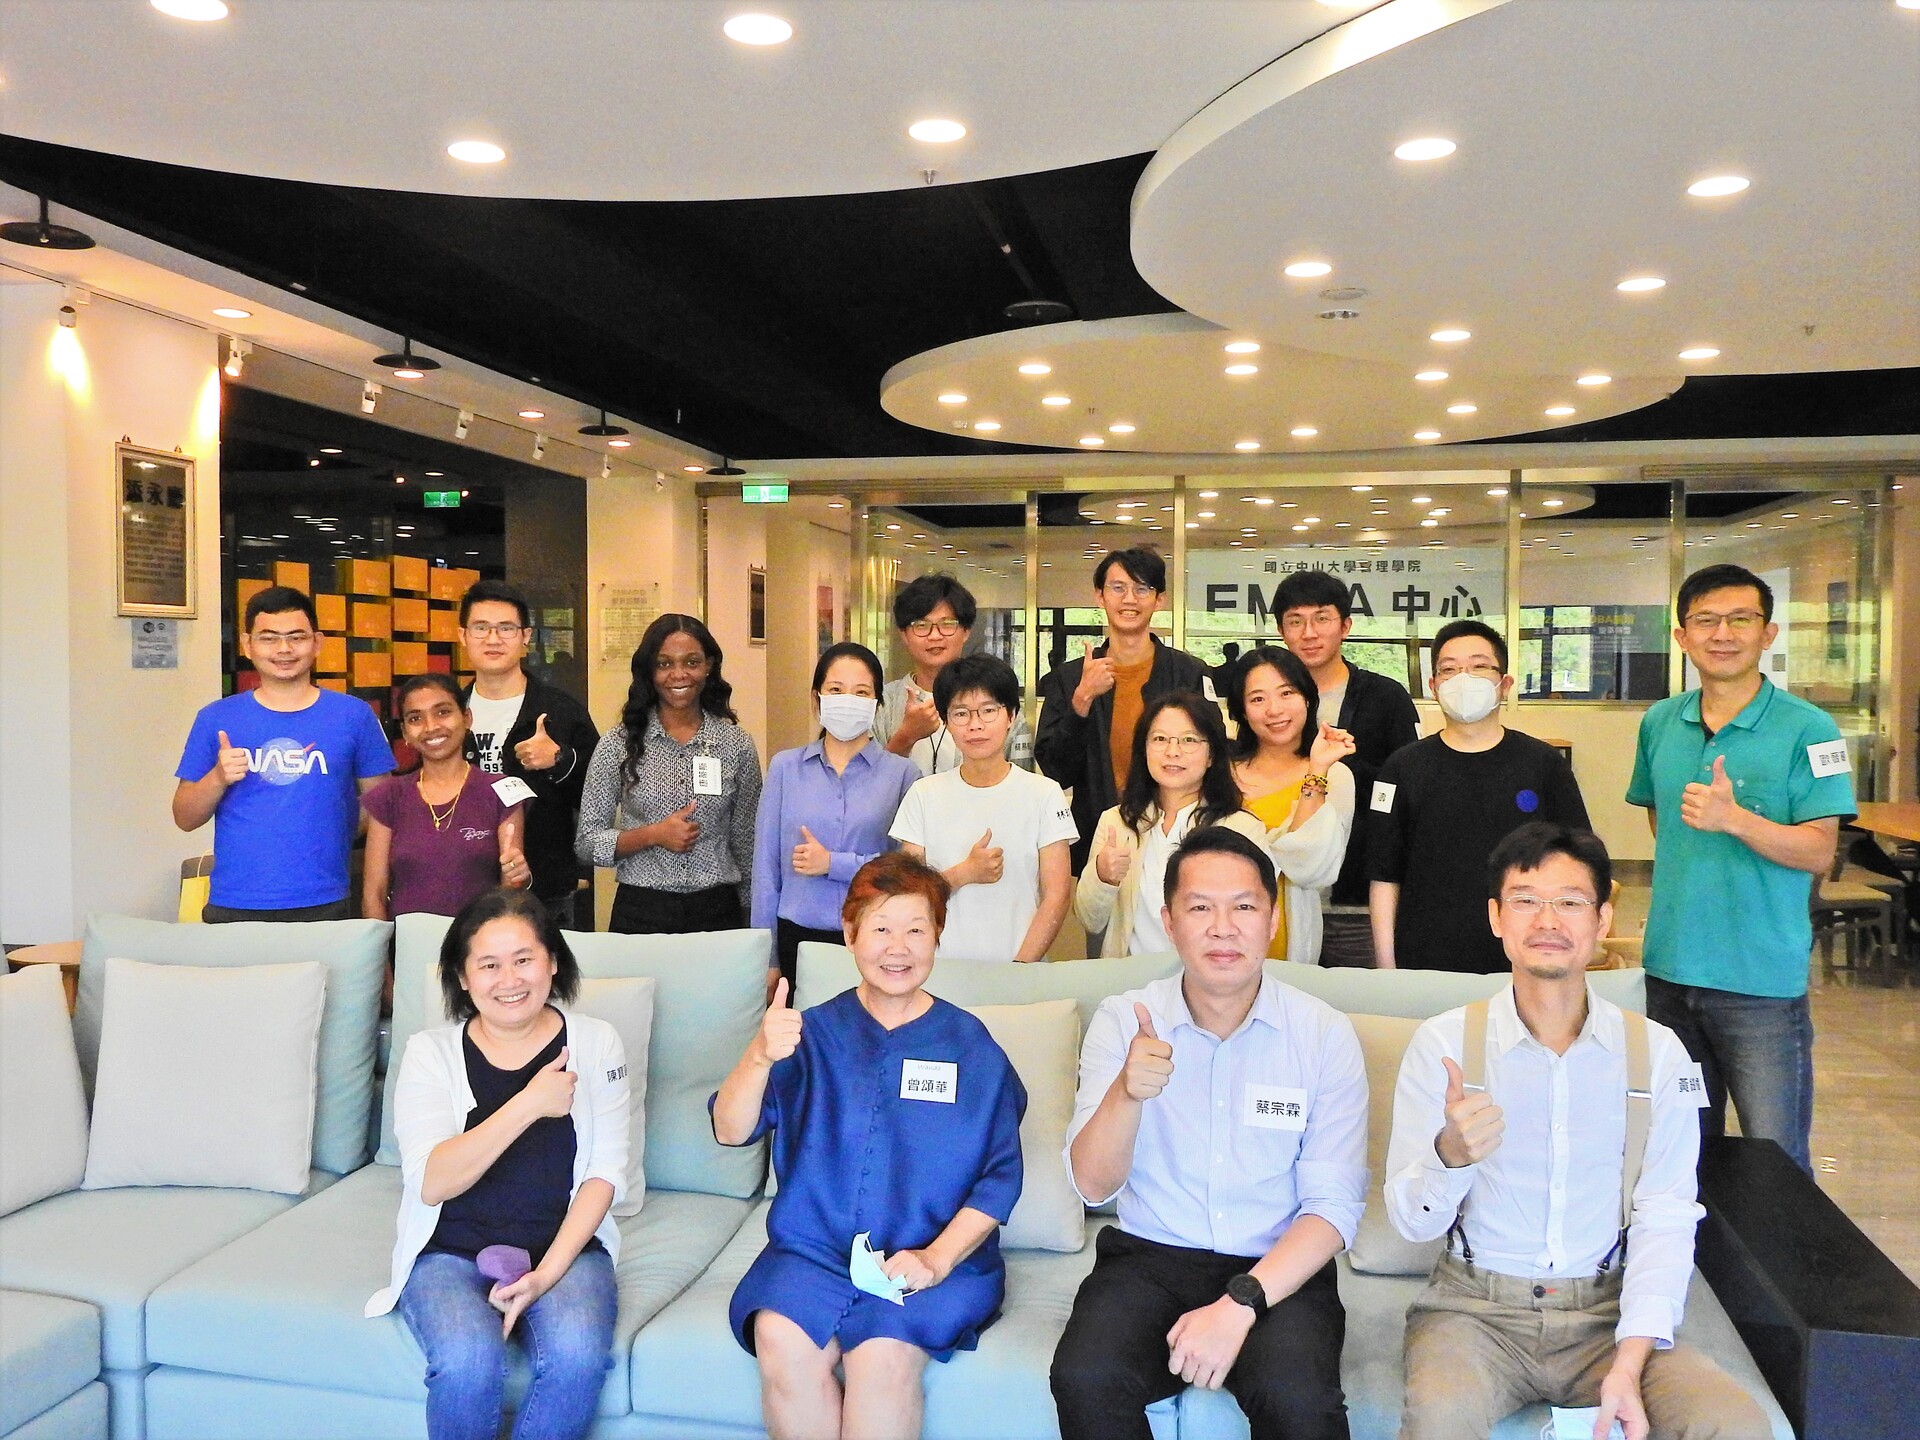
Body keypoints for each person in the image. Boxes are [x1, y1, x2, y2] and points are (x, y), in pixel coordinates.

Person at [1385, 822, 1772, 1440]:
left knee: (1736, 1425)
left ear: (1601, 917)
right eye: (1526, 900)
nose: (1548, 919)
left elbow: (1666, 1215)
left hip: (1606, 1310)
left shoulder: (1657, 1053)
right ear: (1496, 918)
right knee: (1438, 1423)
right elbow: (1412, 1223)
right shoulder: (1445, 1043)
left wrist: (1629, 1359)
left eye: (1569, 901)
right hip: (1474, 1312)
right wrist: (1449, 1156)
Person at [1050, 827, 1368, 1440]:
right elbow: (1091, 1185)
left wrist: (1241, 1303)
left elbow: (1333, 1208)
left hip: (1277, 1267)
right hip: (1149, 1259)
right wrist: (1126, 1092)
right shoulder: (1125, 1020)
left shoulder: (1322, 1034)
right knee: (1084, 1379)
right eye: (1200, 908)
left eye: (1244, 906)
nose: (1223, 928)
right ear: (1169, 922)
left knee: (1300, 1404)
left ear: (1271, 919)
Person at [712, 853, 1025, 1440]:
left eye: (916, 929)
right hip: (814, 1252)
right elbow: (730, 1129)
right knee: (780, 1340)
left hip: (930, 1262)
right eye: (880, 928)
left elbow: (1001, 1176)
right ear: (850, 935)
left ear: (938, 936)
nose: (898, 946)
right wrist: (757, 1056)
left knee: (879, 1361)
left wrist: (936, 1259)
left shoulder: (970, 1044)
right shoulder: (811, 1034)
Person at [367, 888, 630, 1440]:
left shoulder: (597, 1042)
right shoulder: (429, 1052)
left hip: (567, 1249)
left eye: (524, 959)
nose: (509, 980)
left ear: (552, 963)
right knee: (467, 1364)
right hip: (448, 1252)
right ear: (462, 977)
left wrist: (545, 1275)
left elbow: (605, 1173)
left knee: (578, 1359)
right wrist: (530, 1103)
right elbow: (433, 1183)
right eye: (488, 965)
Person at [1627, 564, 1855, 1173]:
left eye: (1739, 619)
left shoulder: (1811, 728)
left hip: (1760, 985)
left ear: (1768, 631)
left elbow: (1819, 852)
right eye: (1705, 620)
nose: (1721, 633)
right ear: (1682, 636)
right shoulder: (1659, 722)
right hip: (1670, 974)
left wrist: (1737, 820)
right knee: (1681, 1152)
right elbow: (1664, 825)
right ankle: (1699, 1269)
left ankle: (1782, 1268)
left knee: (1774, 1158)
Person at [1369, 620, 1589, 973]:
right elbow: (1384, 877)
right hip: (1424, 959)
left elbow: (1581, 865)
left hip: (1524, 959)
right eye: (1449, 670)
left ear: (1504, 685)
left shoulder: (1543, 764)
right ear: (1434, 686)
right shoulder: (1402, 767)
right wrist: (1386, 967)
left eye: (1479, 666)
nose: (1463, 679)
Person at [172, 585, 394, 922]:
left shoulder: (354, 716)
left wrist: (333, 828)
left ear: (317, 642)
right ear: (247, 644)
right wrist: (217, 778)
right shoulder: (216, 718)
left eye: (296, 637)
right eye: (269, 637)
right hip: (237, 901)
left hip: (327, 897)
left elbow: (382, 808)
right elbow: (184, 817)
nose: (284, 649)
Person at [576, 614, 762, 935]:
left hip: (717, 910)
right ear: (649, 671)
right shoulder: (617, 743)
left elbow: (746, 842)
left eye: (691, 662)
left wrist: (752, 920)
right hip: (641, 910)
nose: (679, 674)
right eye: (664, 664)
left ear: (709, 666)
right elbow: (586, 843)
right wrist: (653, 835)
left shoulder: (736, 744)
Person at [1035, 547, 1209, 879]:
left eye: (1142, 589)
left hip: (1178, 840)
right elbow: (1057, 771)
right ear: (1099, 595)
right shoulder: (1070, 678)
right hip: (1100, 841)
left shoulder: (1188, 673)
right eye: (1118, 588)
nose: (1129, 598)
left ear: (1160, 600)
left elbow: (1210, 755)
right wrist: (1082, 700)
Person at [1275, 571, 1421, 966]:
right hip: (1282, 898)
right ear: (1281, 631)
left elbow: (1409, 790)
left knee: (1359, 1010)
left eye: (1322, 618)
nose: (1309, 632)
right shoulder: (1269, 701)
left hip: (1357, 900)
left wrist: (1345, 766)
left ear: (1345, 626)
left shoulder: (1386, 698)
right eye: (1295, 621)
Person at [891, 654, 1077, 962]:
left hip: (1020, 971)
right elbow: (910, 891)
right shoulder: (923, 794)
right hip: (939, 971)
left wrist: (1019, 969)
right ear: (946, 722)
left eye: (989, 710)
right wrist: (963, 873)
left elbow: (1056, 896)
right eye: (961, 713)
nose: (975, 725)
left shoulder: (1044, 794)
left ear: (1012, 716)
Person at [753, 642, 919, 988]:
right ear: (817, 699)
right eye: (836, 690)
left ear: (876, 704)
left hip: (876, 936)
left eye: (861, 692)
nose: (848, 700)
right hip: (796, 934)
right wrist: (766, 957)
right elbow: (766, 869)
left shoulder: (903, 775)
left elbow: (906, 869)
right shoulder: (786, 767)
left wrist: (834, 863)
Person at [1075, 691, 1268, 957]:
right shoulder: (1117, 822)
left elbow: (1256, 920)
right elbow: (1089, 919)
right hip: (1132, 983)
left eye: (1188, 740)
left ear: (1212, 755)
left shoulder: (1241, 828)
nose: (1172, 751)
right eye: (1160, 739)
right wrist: (1103, 876)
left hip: (1209, 982)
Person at [460, 580, 600, 929]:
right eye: (481, 628)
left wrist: (561, 760)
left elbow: (602, 794)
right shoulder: (447, 711)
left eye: (506, 628)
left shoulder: (560, 711)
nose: (493, 639)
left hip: (544, 893)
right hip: (461, 885)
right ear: (463, 635)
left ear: (525, 637)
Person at [1226, 646, 1358, 962]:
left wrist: (1317, 770)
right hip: (1219, 935)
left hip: (1289, 942)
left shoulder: (1335, 775)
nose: (1274, 709)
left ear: (1307, 699)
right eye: (1257, 699)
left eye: (1287, 693)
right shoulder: (1219, 773)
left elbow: (1309, 867)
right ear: (1242, 711)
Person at [361, 675, 530, 920]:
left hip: (480, 947)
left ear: (467, 718)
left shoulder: (502, 791)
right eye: (415, 718)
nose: (431, 727)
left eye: (443, 712)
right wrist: (379, 958)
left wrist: (520, 877)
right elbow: (373, 895)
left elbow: (511, 888)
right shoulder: (388, 796)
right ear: (405, 732)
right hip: (409, 947)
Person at [873, 572, 1033, 776]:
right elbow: (867, 790)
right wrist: (905, 737)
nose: (935, 635)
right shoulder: (882, 703)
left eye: (947, 624)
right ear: (903, 634)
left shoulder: (999, 704)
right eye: (921, 625)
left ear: (966, 631)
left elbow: (1021, 786)